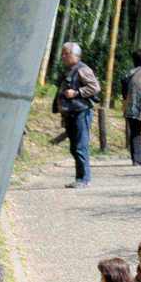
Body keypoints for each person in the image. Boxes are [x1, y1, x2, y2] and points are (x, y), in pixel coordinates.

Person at [54, 42, 100, 189]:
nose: (63, 56)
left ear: (75, 55)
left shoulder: (82, 69)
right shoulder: (69, 70)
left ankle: (84, 179)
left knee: (81, 146)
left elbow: (95, 87)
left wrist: (77, 92)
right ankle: (79, 177)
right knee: (74, 147)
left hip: (81, 111)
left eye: (66, 53)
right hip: (71, 113)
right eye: (62, 53)